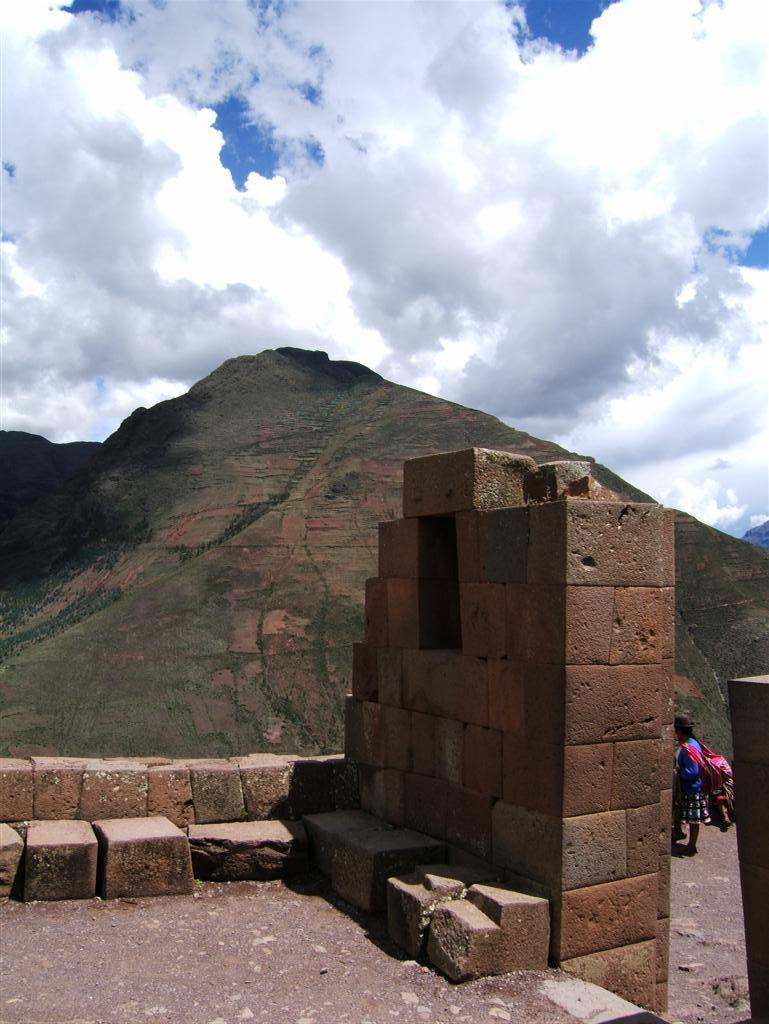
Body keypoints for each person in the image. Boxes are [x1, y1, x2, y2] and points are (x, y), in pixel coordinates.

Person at [672, 711, 710, 856]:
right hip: (693, 788)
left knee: (694, 820)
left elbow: (692, 771)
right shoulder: (692, 743)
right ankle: (680, 833)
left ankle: (692, 846)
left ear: (679, 731)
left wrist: (677, 773)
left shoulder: (689, 748)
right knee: (688, 816)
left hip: (693, 789)